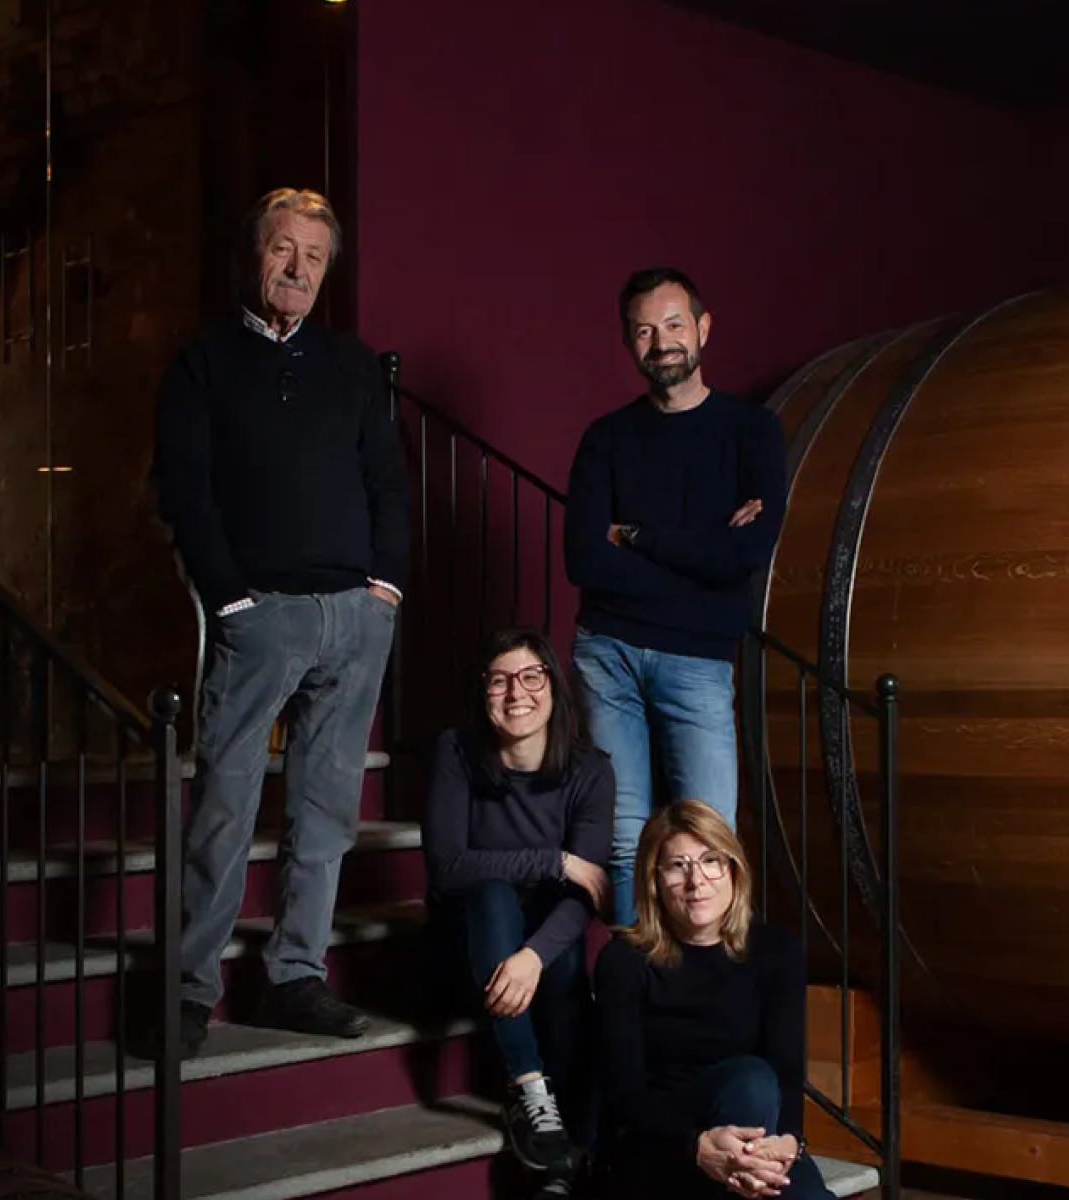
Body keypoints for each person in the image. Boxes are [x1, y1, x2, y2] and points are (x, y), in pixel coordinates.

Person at [146, 187, 409, 1057]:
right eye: (283, 249)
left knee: (325, 810)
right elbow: (184, 487)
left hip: (354, 618)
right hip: (261, 617)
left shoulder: (351, 363)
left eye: (314, 257)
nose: (297, 268)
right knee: (224, 805)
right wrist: (230, 600)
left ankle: (295, 976)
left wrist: (385, 591)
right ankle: (189, 988)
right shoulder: (204, 362)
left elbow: (388, 483)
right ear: (255, 254)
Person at [564, 267, 788, 927]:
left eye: (673, 325)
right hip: (608, 654)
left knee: (709, 839)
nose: (661, 343)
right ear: (627, 342)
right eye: (643, 331)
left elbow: (743, 556)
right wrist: (700, 557)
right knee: (624, 836)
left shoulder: (752, 432)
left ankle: (705, 979)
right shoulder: (605, 437)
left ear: (703, 328)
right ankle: (637, 973)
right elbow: (583, 559)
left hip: (697, 660)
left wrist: (637, 536)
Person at [419, 628, 613, 1181]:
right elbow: (448, 868)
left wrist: (531, 956)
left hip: (543, 957)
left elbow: (588, 893)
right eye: (499, 680)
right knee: (491, 892)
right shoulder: (457, 752)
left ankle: (563, 1167)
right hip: (463, 947)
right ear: (482, 691)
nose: (516, 693)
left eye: (531, 676)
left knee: (566, 963)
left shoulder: (590, 770)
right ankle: (528, 1083)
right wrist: (555, 861)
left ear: (553, 686)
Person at [592, 801, 833, 1200]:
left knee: (800, 1184)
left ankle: (748, 1175)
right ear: (654, 880)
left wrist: (789, 1141)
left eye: (710, 861)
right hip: (660, 1146)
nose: (696, 881)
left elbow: (787, 1072)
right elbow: (624, 1098)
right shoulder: (623, 962)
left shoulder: (776, 950)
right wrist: (697, 1146)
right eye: (677, 866)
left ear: (733, 870)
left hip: (755, 1136)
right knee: (751, 1080)